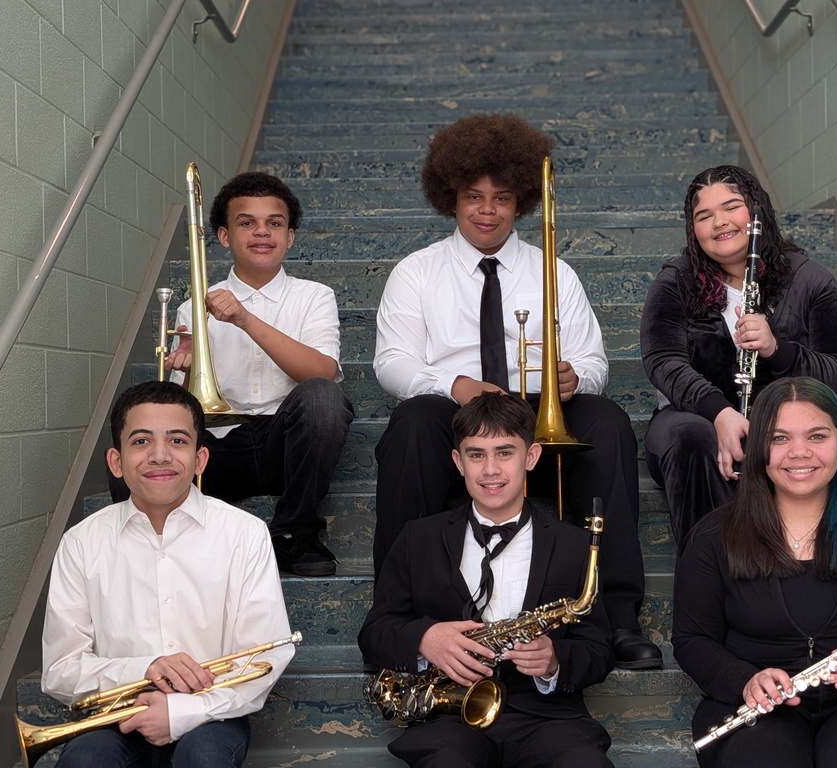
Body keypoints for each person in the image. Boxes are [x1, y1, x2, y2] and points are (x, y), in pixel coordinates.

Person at [373, 112, 660, 669]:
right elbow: (391, 363)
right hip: (452, 407)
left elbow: (595, 362)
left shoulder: (556, 270)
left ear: (522, 203)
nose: (487, 210)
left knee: (606, 421)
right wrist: (454, 385)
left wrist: (576, 378)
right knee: (411, 425)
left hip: (533, 406)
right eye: (474, 196)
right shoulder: (416, 272)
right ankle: (400, 622)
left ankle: (619, 616)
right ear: (450, 199)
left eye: (501, 198)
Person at [672, 376, 837, 768]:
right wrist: (744, 679)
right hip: (755, 710)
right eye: (780, 438)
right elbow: (693, 640)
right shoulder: (714, 538)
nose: (800, 453)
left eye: (817, 436)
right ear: (759, 446)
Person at [42, 381, 295, 767]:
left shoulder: (245, 534)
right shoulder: (81, 542)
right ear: (116, 461)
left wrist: (178, 715)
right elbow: (60, 670)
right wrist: (141, 669)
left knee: (204, 757)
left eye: (177, 441)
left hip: (212, 713)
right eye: (141, 442)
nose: (159, 456)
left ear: (200, 460)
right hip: (120, 712)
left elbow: (263, 660)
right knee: (84, 761)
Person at [359, 392, 616, 767]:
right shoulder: (418, 537)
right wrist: (424, 639)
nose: (490, 469)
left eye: (505, 452)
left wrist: (555, 660)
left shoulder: (574, 545)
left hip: (547, 719)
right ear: (457, 462)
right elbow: (375, 633)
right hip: (448, 717)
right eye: (476, 454)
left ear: (531, 457)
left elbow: (599, 649)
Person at [640, 164, 837, 550]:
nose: (719, 222)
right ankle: (711, 570)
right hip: (694, 421)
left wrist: (778, 349)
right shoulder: (676, 280)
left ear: (756, 212)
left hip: (783, 419)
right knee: (693, 437)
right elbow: (663, 361)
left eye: (731, 207)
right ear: (693, 229)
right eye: (703, 215)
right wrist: (719, 413)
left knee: (804, 438)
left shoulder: (810, 280)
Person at [162, 171, 354, 576]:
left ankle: (295, 533)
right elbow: (182, 416)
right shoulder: (193, 305)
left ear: (290, 237)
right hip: (216, 448)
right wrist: (183, 371)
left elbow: (321, 371)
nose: (261, 233)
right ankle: (158, 540)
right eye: (246, 222)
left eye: (274, 223)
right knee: (137, 422)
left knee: (323, 396)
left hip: (284, 447)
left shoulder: (314, 297)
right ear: (224, 235)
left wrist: (246, 319)